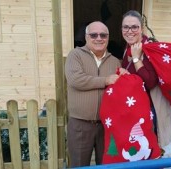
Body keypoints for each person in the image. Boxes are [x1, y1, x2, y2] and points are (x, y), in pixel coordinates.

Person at [65, 21, 121, 167]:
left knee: (106, 165)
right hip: (80, 125)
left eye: (103, 35)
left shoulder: (115, 62)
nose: (99, 38)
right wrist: (106, 80)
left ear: (108, 38)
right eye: (94, 34)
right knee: (79, 165)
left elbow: (120, 90)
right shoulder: (75, 55)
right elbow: (75, 80)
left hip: (106, 126)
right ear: (86, 37)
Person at [118, 10, 171, 151]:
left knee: (148, 150)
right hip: (133, 108)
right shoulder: (128, 48)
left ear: (141, 29)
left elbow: (150, 82)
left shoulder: (151, 49)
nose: (129, 31)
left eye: (134, 27)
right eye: (126, 27)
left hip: (149, 111)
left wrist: (137, 59)